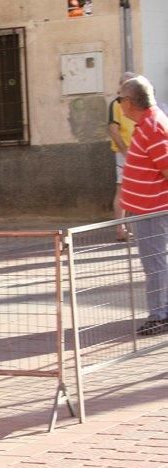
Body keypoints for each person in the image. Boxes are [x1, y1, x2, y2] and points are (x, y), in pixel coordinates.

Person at [117, 75, 168, 336]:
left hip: (153, 209)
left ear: (128, 101)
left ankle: (160, 315)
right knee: (156, 262)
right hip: (147, 208)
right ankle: (162, 311)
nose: (119, 105)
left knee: (155, 262)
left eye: (119, 99)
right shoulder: (147, 123)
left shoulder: (153, 126)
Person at [108, 72, 138, 241]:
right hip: (124, 152)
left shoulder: (134, 103)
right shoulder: (116, 104)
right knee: (122, 189)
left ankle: (134, 226)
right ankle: (120, 229)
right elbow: (113, 130)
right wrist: (125, 152)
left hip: (138, 151)